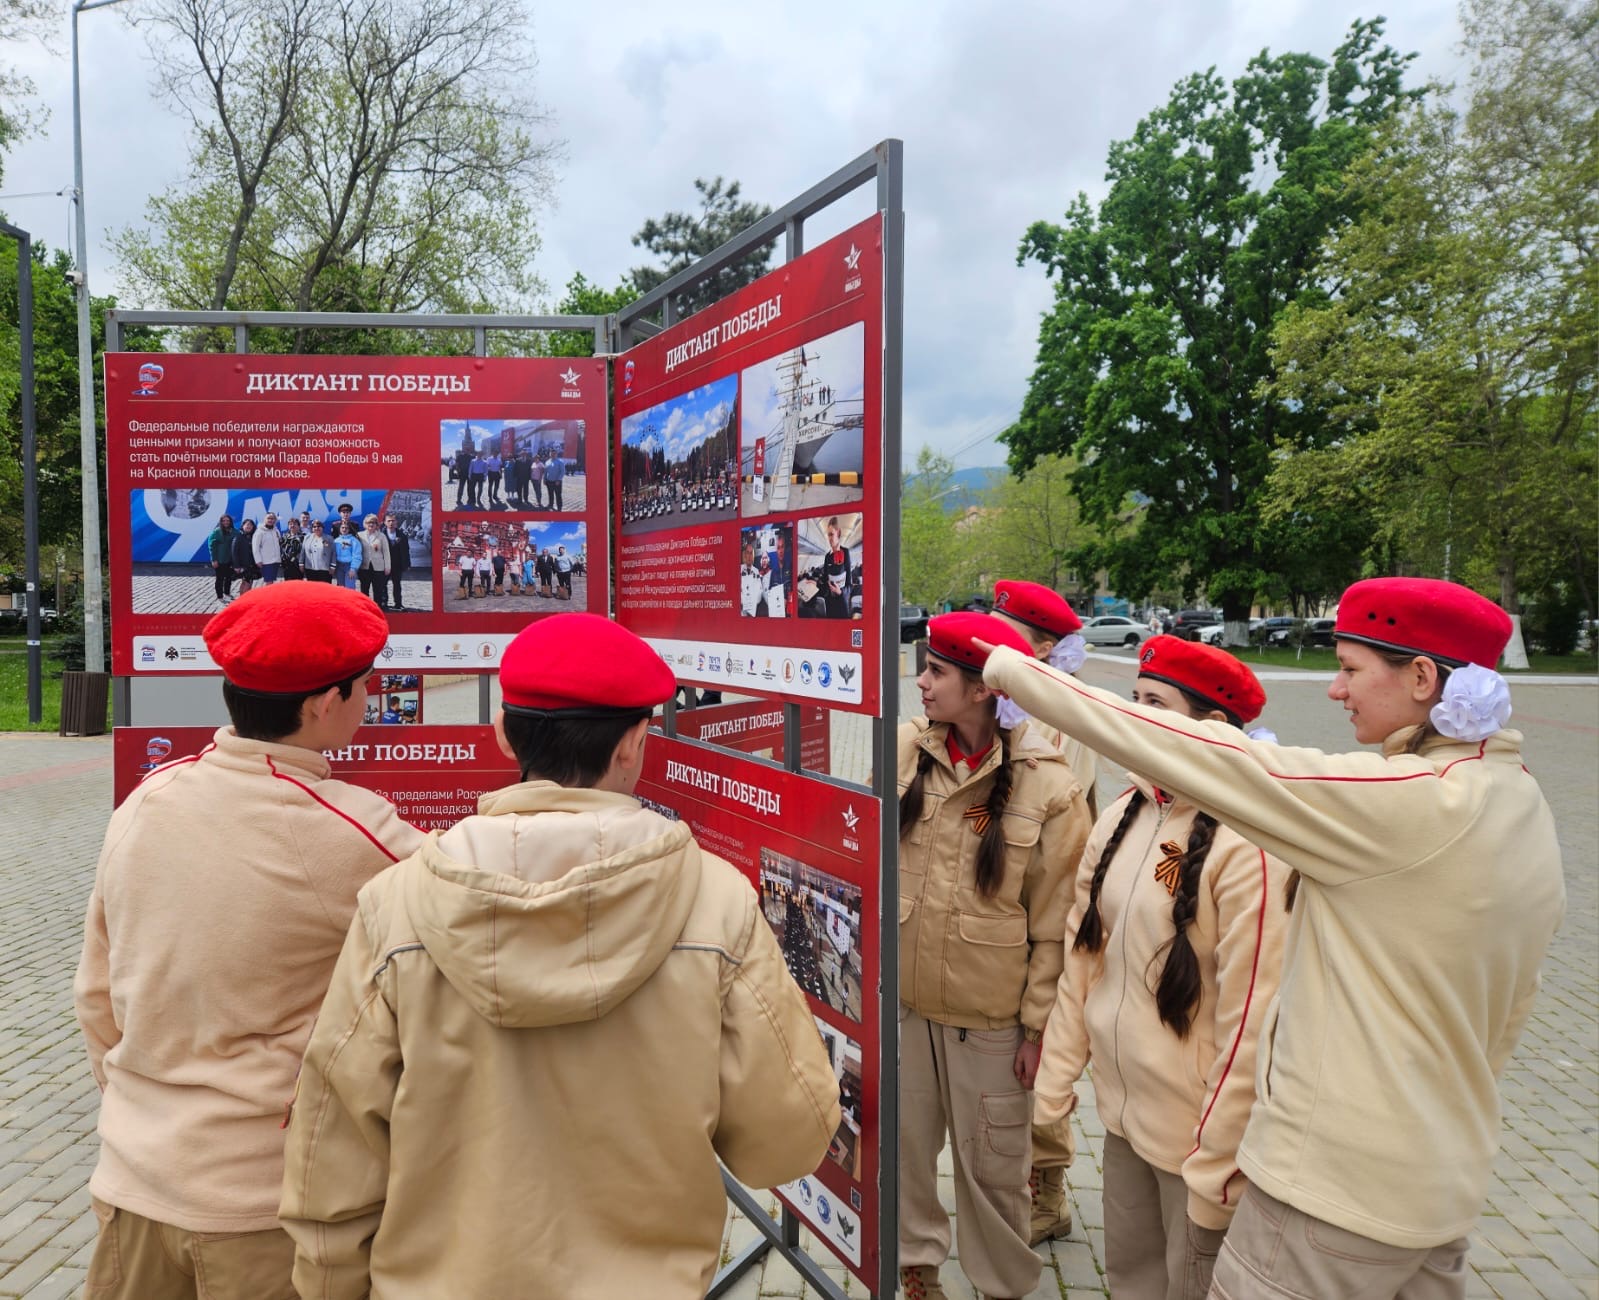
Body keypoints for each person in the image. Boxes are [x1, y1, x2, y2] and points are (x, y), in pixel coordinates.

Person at [979, 577, 1565, 1300]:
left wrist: (1013, 670)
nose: (1333, 690)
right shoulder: (1518, 801)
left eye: (1349, 669)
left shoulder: (1410, 803)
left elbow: (1224, 763)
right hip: (1437, 1184)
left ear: (1420, 677)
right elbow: (1509, 1008)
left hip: (1332, 1193)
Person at [279, 613, 840, 1299]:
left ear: (502, 733)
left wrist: (330, 1285)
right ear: (636, 742)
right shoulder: (716, 904)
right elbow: (783, 1139)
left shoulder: (394, 904)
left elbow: (332, 1145)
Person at [74, 583, 423, 1300]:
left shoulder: (151, 796)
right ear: (327, 702)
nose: (370, 699)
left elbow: (95, 995)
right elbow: (468, 916)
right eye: (368, 685)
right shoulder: (346, 828)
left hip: (131, 1186)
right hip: (263, 1210)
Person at [1036, 636, 1289, 1299]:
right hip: (1122, 1118)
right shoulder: (1126, 811)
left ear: (1211, 726)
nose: (1135, 716)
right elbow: (1080, 956)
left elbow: (1251, 1021)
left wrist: (1216, 1164)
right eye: (1134, 700)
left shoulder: (1252, 841)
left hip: (1197, 1145)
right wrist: (1055, 1079)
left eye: (1155, 703)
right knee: (1131, 1280)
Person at [897, 613, 1093, 1300]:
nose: (919, 683)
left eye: (935, 672)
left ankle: (1000, 1286)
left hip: (988, 1023)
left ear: (982, 689)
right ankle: (914, 1273)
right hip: (904, 1011)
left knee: (994, 1174)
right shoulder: (901, 753)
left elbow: (1058, 926)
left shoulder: (1049, 785)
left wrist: (1039, 1029)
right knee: (905, 1162)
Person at [820, 517, 853, 618]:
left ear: (838, 532)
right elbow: (825, 581)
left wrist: (840, 592)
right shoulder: (827, 557)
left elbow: (850, 585)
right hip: (830, 605)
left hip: (842, 604)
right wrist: (816, 584)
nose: (829, 538)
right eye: (828, 535)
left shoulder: (845, 552)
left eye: (831, 534)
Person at [357, 514, 390, 608]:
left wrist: (387, 566)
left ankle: (377, 608)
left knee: (378, 590)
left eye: (373, 523)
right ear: (365, 524)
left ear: (376, 524)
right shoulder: (360, 535)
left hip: (378, 567)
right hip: (364, 567)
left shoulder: (381, 536)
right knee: (364, 589)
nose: (370, 525)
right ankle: (365, 608)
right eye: (368, 523)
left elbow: (386, 552)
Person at [384, 514, 411, 611]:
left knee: (397, 585)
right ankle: (384, 602)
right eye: (389, 521)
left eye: (393, 521)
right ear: (385, 523)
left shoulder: (402, 535)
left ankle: (398, 603)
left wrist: (407, 564)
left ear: (396, 522)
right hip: (384, 564)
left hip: (397, 564)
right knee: (383, 584)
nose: (391, 523)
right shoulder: (381, 534)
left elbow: (406, 550)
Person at [207, 514, 236, 604]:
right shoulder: (216, 532)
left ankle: (227, 592)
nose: (226, 522)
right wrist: (214, 559)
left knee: (229, 577)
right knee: (220, 578)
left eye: (228, 520)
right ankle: (220, 596)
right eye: (224, 521)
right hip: (219, 559)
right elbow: (211, 546)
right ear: (221, 522)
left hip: (230, 559)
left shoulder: (235, 532)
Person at [252, 512, 282, 585]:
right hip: (266, 562)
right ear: (264, 519)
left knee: (272, 580)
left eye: (272, 519)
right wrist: (258, 560)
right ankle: (268, 596)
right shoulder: (259, 531)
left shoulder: (276, 530)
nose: (270, 520)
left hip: (276, 560)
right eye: (268, 518)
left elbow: (279, 544)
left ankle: (270, 595)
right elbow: (255, 547)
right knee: (269, 581)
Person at [231, 519, 260, 595]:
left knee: (248, 582)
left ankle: (245, 600)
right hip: (243, 565)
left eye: (250, 525)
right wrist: (236, 566)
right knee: (246, 582)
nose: (249, 526)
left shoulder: (254, 536)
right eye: (247, 524)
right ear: (243, 526)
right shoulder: (238, 536)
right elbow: (234, 552)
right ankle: (243, 600)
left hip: (252, 564)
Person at [332, 521, 361, 590]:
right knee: (340, 588)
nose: (344, 529)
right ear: (340, 529)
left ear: (349, 529)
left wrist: (353, 568)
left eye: (346, 528)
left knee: (349, 587)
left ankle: (351, 601)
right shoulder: (336, 541)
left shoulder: (354, 541)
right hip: (339, 566)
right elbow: (333, 555)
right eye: (342, 528)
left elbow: (357, 555)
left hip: (349, 566)